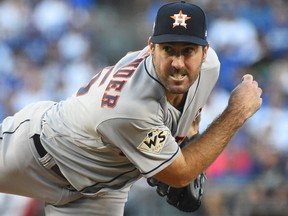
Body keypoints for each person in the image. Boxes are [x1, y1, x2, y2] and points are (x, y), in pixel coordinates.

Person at [0, 1, 262, 216]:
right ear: (151, 48)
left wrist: (189, 140)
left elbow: (191, 114)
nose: (178, 63)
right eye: (168, 49)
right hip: (35, 153)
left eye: (188, 51)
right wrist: (236, 113)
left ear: (205, 52)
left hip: (100, 191)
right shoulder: (131, 106)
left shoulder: (209, 68)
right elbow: (180, 174)